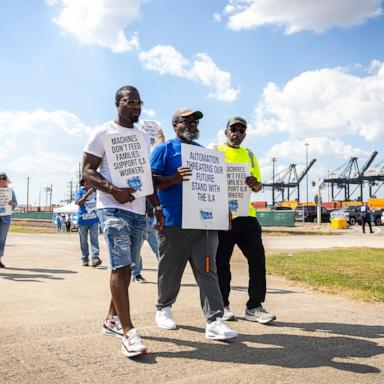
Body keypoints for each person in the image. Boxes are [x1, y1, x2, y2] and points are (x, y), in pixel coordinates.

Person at [82, 85, 164, 358]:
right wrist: (112, 189)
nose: (135, 106)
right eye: (129, 101)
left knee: (127, 267)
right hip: (112, 208)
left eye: (139, 102)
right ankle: (128, 331)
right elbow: (87, 172)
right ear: (117, 103)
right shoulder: (103, 132)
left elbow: (146, 175)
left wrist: (157, 207)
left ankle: (111, 319)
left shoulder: (143, 136)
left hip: (139, 211)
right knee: (120, 265)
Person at [150, 108, 238, 340]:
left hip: (204, 225)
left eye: (195, 121)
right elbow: (151, 183)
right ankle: (163, 308)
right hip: (175, 222)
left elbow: (216, 186)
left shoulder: (205, 154)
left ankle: (215, 320)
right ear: (175, 124)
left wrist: (225, 209)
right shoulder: (164, 149)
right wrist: (174, 179)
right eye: (186, 121)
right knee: (171, 269)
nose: (192, 124)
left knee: (208, 269)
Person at [215, 116, 276, 324]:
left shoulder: (250, 155)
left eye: (241, 131)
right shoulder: (215, 151)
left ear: (245, 135)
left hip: (247, 215)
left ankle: (254, 306)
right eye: (233, 129)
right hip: (224, 216)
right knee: (221, 261)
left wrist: (254, 183)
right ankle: (222, 305)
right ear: (226, 131)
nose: (236, 133)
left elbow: (258, 187)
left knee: (257, 259)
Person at [73, 178, 102, 267]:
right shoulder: (80, 192)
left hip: (94, 219)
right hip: (82, 220)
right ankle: (85, 259)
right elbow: (78, 203)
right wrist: (87, 195)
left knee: (94, 239)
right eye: (86, 183)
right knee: (83, 241)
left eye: (89, 182)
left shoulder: (96, 191)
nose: (88, 184)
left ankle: (95, 258)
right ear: (83, 183)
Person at [131, 199, 160, 283]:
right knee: (136, 251)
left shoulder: (153, 188)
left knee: (160, 250)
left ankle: (167, 274)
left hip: (152, 219)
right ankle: (136, 274)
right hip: (139, 219)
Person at [0, 172, 17, 268]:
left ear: (6, 180)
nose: (1, 180)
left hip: (5, 219)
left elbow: (15, 204)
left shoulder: (10, 192)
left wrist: (12, 204)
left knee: (2, 240)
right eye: (0, 179)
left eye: (3, 178)